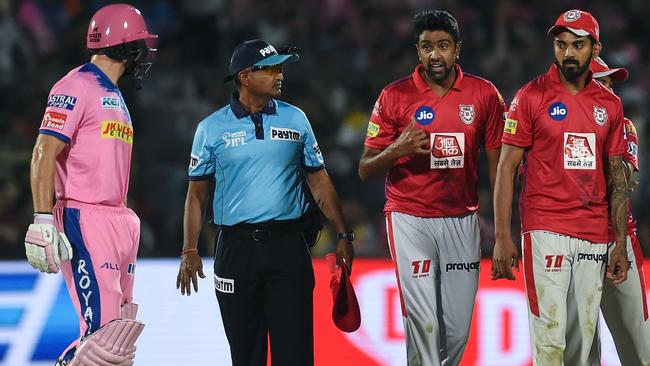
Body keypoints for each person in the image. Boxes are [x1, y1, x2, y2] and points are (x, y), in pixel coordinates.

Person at [175, 39, 354, 366]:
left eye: (281, 68)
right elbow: (196, 194)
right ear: (245, 76)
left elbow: (319, 181)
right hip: (235, 251)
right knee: (246, 356)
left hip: (288, 248)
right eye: (271, 69)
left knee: (296, 356)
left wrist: (343, 235)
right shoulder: (210, 129)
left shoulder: (296, 119)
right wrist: (189, 249)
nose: (280, 74)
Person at [359, 10, 506, 365]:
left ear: (457, 48)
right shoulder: (394, 96)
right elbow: (365, 168)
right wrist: (398, 150)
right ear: (417, 50)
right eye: (426, 47)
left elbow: (498, 168)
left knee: (456, 331)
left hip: (461, 219)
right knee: (423, 323)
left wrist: (503, 233)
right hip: (410, 219)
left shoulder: (483, 94)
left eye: (442, 46)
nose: (434, 55)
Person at [491, 9, 630, 365]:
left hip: (594, 232)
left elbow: (616, 177)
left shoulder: (610, 105)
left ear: (595, 49)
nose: (568, 53)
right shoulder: (531, 96)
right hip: (545, 228)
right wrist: (502, 236)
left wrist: (618, 243)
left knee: (582, 344)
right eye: (561, 44)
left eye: (578, 45)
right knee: (549, 341)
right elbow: (506, 168)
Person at [22, 3, 157, 366]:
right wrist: (42, 217)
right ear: (126, 47)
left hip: (118, 219)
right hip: (85, 217)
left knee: (118, 339)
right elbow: (44, 151)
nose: (145, 54)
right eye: (141, 45)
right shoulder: (75, 86)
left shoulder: (115, 96)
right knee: (103, 340)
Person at [591, 56, 650, 365]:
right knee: (580, 349)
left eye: (609, 83)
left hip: (619, 240)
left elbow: (623, 178)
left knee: (639, 347)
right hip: (571, 240)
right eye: (600, 83)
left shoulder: (623, 125)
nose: (609, 91)